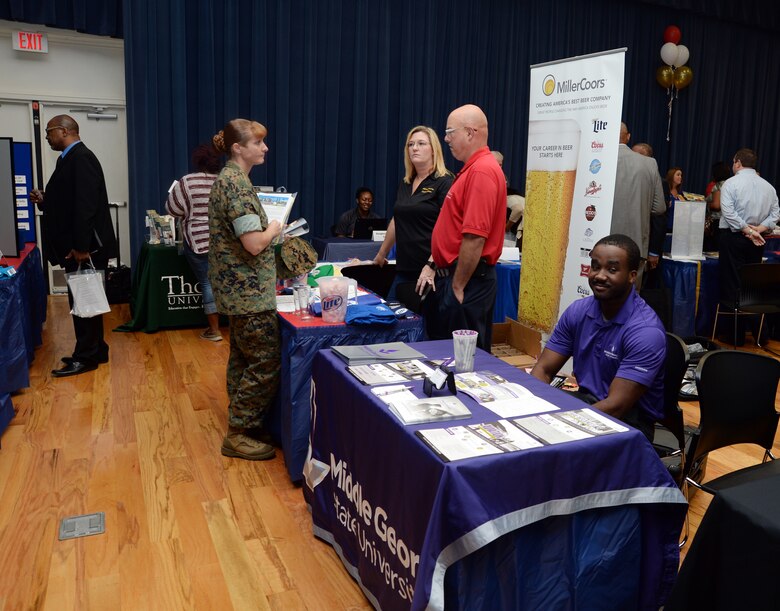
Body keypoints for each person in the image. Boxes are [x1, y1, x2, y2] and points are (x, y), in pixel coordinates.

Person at [530, 234, 666, 441]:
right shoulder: (578, 311)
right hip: (585, 404)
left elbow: (616, 406)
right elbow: (543, 369)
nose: (600, 275)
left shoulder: (645, 331)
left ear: (632, 276)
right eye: (595, 266)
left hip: (629, 424)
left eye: (612, 269)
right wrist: (533, 409)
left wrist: (558, 426)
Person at [208, 118, 282, 461]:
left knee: (242, 358)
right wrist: (276, 227)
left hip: (238, 291)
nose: (264, 148)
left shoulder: (231, 179)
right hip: (248, 291)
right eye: (258, 143)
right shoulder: (236, 184)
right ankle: (238, 432)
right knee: (265, 361)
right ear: (238, 148)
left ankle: (244, 424)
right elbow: (253, 243)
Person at [31, 114, 117, 378]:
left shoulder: (82, 158)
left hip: (84, 249)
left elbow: (86, 206)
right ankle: (96, 350)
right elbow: (68, 202)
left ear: (64, 131)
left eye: (49, 131)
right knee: (87, 300)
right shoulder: (68, 158)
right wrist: (45, 201)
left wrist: (81, 246)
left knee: (84, 303)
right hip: (78, 246)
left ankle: (86, 357)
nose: (46, 136)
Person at [417, 104, 506, 350]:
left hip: (467, 282)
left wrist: (457, 286)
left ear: (469, 132)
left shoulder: (481, 172)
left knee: (464, 365)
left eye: (450, 132)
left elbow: (475, 238)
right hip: (461, 279)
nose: (445, 138)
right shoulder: (472, 170)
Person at [373, 126, 453, 300]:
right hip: (405, 268)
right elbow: (398, 219)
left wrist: (432, 265)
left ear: (434, 150)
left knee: (424, 325)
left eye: (421, 143)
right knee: (395, 318)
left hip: (432, 271)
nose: (414, 148)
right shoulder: (406, 183)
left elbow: (450, 229)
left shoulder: (444, 182)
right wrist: (381, 255)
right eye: (411, 144)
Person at [717, 148, 779, 344]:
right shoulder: (768, 187)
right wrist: (758, 229)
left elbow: (728, 213)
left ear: (737, 162)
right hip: (757, 240)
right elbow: (775, 215)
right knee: (751, 286)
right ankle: (761, 336)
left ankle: (736, 338)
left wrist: (749, 230)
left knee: (732, 286)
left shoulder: (730, 183)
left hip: (734, 238)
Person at [166, 144, 222, 341]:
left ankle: (215, 331)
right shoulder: (224, 181)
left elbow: (172, 209)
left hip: (197, 240)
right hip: (223, 242)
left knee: (207, 282)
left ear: (198, 161)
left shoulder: (187, 181)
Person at [610, 122, 665, 286]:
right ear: (628, 137)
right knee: (630, 300)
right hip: (636, 244)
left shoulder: (595, 159)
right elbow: (659, 207)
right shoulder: (650, 164)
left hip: (601, 244)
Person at [703, 161, 732, 252]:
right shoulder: (732, 184)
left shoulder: (718, 186)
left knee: (714, 250)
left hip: (718, 222)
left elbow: (716, 205)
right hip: (730, 221)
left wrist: (705, 204)